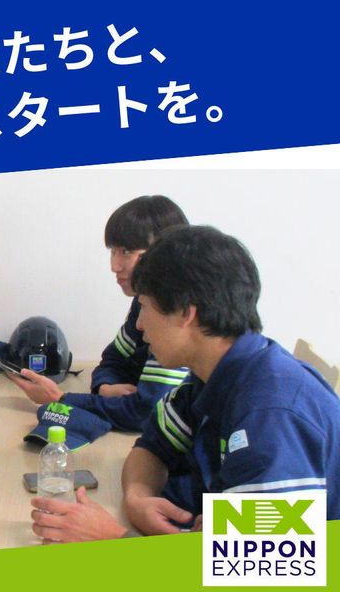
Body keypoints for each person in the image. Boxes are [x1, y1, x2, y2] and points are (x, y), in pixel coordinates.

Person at [30, 225, 340, 542]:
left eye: (145, 307)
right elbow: (152, 446)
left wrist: (111, 539)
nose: (139, 324)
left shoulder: (271, 415)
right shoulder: (216, 373)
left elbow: (263, 563)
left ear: (185, 314)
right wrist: (138, 499)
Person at [7, 196, 190, 432]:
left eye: (126, 252)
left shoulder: (175, 316)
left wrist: (61, 399)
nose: (114, 266)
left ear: (164, 252)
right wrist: (106, 387)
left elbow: (145, 413)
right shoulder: (142, 302)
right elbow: (113, 359)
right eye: (113, 251)